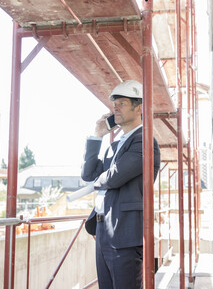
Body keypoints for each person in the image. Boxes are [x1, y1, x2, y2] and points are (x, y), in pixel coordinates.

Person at [81, 80, 161, 289]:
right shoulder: (114, 146)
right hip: (103, 231)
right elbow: (89, 174)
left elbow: (115, 176)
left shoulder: (144, 141)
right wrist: (96, 137)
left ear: (139, 107)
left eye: (122, 103)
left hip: (124, 233)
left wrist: (94, 185)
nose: (115, 108)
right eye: (114, 104)